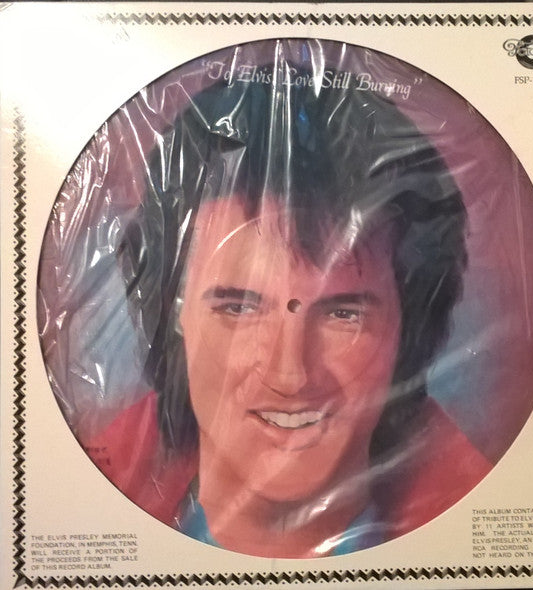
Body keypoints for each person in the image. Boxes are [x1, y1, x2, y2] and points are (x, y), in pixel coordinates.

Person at [85, 59, 492, 558]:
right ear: (173, 316)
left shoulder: (482, 548)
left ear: (409, 327)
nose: (290, 375)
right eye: (239, 307)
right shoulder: (81, 515)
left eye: (343, 314)